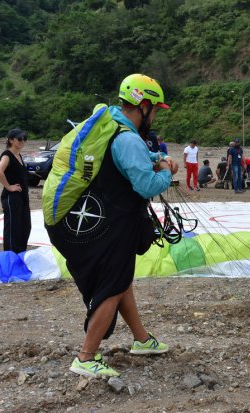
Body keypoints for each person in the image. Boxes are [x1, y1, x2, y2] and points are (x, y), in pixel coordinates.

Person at [43, 73, 179, 378]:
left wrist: (157, 157)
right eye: (155, 109)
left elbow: (134, 158)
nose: (155, 115)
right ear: (143, 105)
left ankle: (142, 340)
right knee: (112, 286)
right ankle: (86, 357)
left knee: (121, 280)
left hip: (94, 221)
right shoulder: (128, 138)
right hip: (104, 225)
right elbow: (146, 185)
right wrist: (168, 171)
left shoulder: (115, 125)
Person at [0, 129, 31, 252]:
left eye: (24, 138)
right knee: (13, 230)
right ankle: (10, 259)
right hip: (12, 198)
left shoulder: (18, 155)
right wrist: (9, 186)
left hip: (22, 197)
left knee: (25, 227)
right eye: (19, 139)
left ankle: (20, 256)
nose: (22, 141)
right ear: (11, 140)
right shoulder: (7, 155)